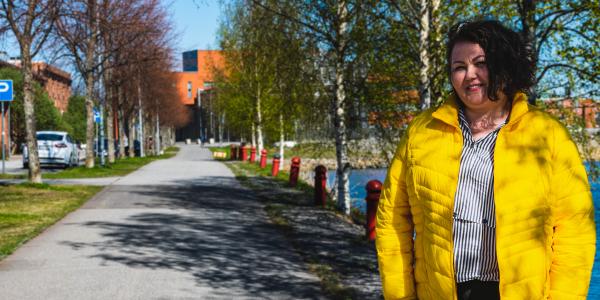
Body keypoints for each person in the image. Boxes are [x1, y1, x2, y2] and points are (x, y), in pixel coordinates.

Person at [376, 20, 595, 300]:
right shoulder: (421, 132)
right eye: (459, 67)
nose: (470, 75)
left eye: (480, 63)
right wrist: (400, 296)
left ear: (505, 64)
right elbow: (392, 221)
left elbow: (575, 232)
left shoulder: (548, 136)